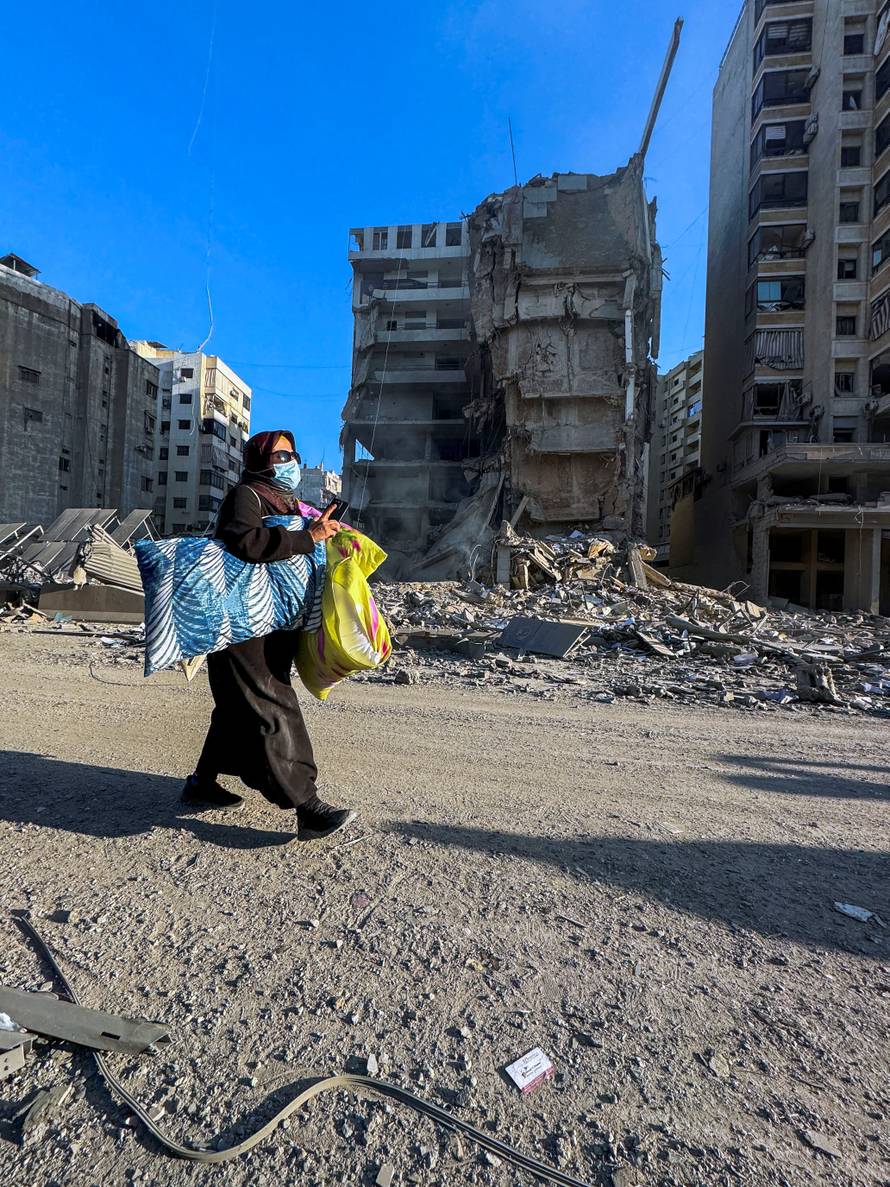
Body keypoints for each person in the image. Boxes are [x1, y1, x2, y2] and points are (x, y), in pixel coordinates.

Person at [181, 429, 356, 841]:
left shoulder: (286, 501)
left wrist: (320, 533)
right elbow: (246, 542)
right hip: (241, 621)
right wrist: (307, 537)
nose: (290, 462)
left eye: (292, 455)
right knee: (272, 705)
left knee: (235, 705)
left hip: (273, 620)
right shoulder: (246, 495)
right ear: (259, 460)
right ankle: (307, 806)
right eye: (280, 456)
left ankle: (201, 783)